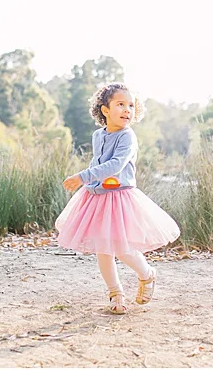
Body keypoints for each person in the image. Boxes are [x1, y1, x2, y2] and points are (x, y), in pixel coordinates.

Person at [54, 82, 180, 311]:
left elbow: (115, 165)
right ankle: (116, 294)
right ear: (105, 110)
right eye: (120, 104)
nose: (127, 110)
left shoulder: (127, 137)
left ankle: (147, 274)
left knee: (122, 248)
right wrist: (89, 183)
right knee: (103, 250)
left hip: (120, 198)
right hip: (97, 196)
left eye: (131, 105)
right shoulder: (97, 135)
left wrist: (82, 176)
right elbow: (98, 161)